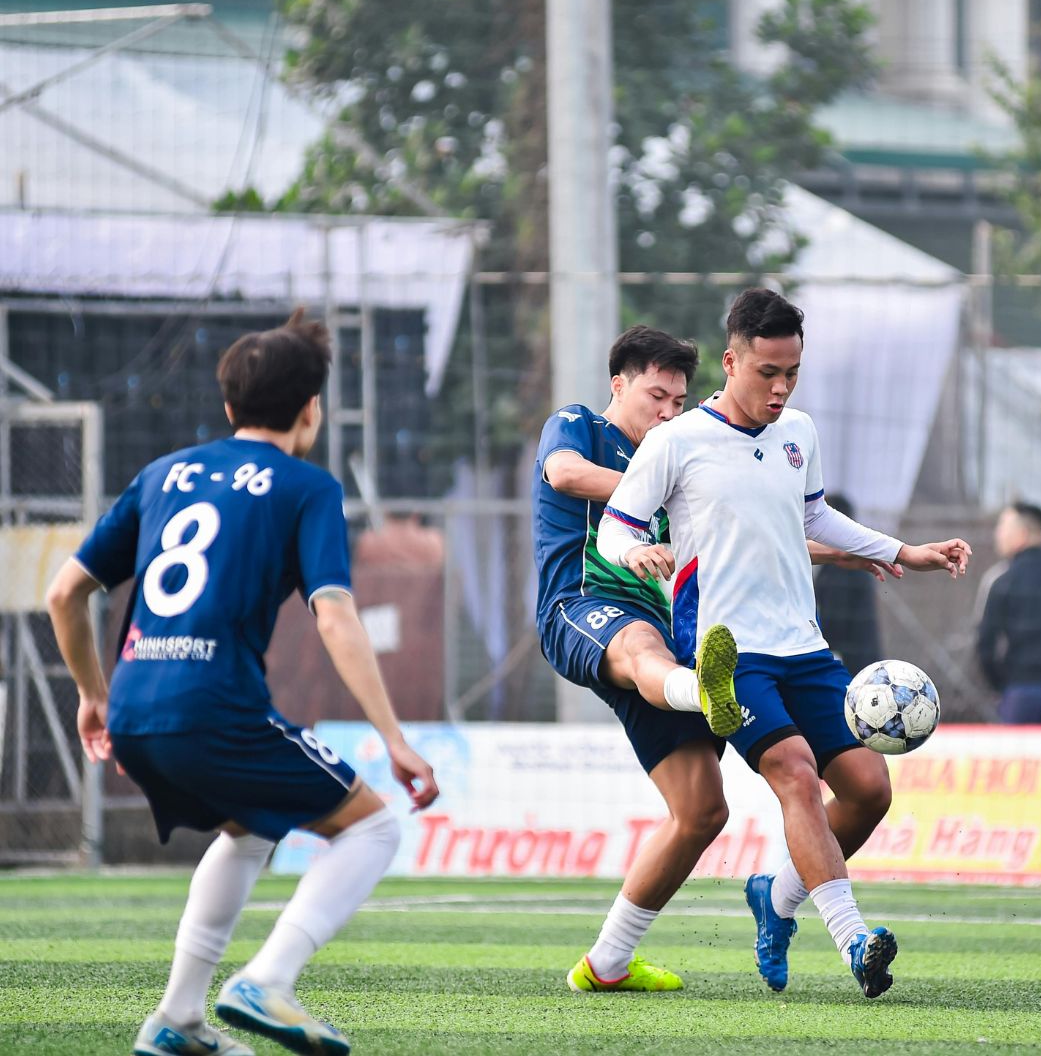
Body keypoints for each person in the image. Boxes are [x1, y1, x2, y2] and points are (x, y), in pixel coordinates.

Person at [46, 309, 438, 1056]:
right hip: (212, 707)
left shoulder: (162, 474)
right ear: (311, 409)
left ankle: (177, 1019)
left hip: (134, 707)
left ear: (228, 406)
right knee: (373, 827)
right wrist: (393, 738)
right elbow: (334, 616)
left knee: (252, 823)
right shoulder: (306, 487)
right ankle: (268, 981)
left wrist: (94, 696)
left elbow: (65, 592)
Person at [597, 289, 971, 999]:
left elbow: (814, 515)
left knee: (868, 789)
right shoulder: (676, 441)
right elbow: (616, 527)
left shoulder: (798, 430)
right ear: (731, 361)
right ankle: (854, 939)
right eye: (767, 372)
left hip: (803, 645)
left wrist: (904, 551)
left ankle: (775, 898)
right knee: (795, 772)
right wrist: (635, 552)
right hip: (726, 653)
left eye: (792, 372)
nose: (781, 388)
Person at [532, 324, 897, 995]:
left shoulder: (684, 450)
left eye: (678, 402)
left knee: (702, 811)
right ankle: (701, 689)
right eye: (656, 396)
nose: (667, 412)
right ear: (619, 384)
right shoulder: (581, 424)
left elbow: (750, 524)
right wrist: (663, 479)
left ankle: (606, 963)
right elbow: (564, 473)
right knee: (642, 647)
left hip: (677, 635)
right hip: (584, 606)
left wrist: (846, 552)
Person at [975, 501, 1041, 724]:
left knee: (1019, 748)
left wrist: (1002, 686)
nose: (997, 534)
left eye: (1002, 527)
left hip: (1022, 692)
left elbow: (985, 645)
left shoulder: (1002, 581)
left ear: (1022, 534)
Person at [814, 493, 884, 675]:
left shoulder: (842, 567)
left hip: (851, 662)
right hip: (861, 656)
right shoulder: (846, 561)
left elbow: (834, 621)